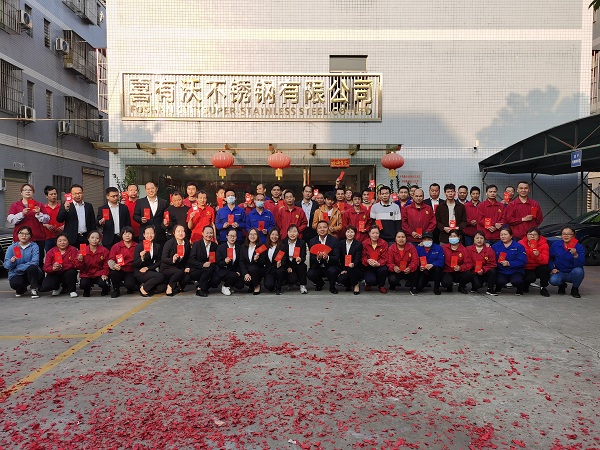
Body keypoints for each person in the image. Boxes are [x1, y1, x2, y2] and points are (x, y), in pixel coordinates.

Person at [7, 183, 50, 261]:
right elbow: (10, 220)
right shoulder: (15, 205)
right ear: (21, 192)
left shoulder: (39, 204)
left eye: (30, 190)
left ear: (33, 192)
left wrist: (38, 213)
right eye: (25, 190)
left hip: (37, 238)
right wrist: (22, 214)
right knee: (18, 260)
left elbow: (47, 219)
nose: (27, 191)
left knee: (38, 261)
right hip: (19, 239)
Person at [3, 225, 43, 299]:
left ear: (30, 236)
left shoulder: (34, 246)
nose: (24, 236)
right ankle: (21, 288)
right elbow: (6, 265)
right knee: (15, 284)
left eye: (27, 234)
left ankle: (33, 288)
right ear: (18, 235)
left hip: (30, 272)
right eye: (21, 233)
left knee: (32, 267)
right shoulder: (12, 247)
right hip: (16, 273)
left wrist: (18, 267)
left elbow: (35, 262)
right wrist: (11, 262)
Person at [548, 226, 585, 298]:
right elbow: (550, 259)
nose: (566, 236)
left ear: (573, 236)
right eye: (564, 234)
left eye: (569, 234)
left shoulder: (579, 247)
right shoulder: (556, 245)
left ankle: (575, 289)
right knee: (553, 280)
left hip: (572, 272)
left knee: (579, 271)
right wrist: (552, 268)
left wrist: (575, 255)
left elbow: (580, 264)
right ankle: (562, 285)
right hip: (560, 271)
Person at [41, 232, 82, 297]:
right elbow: (46, 267)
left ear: (68, 241)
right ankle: (57, 287)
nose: (62, 243)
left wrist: (62, 266)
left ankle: (72, 290)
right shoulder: (51, 251)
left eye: (64, 240)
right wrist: (53, 268)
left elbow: (75, 265)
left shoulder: (73, 250)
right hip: (55, 273)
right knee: (46, 286)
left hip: (67, 272)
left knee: (72, 272)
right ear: (56, 242)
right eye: (59, 241)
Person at [491, 227, 527, 295]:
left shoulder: (518, 246)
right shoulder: (495, 246)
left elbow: (522, 261)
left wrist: (509, 263)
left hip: (515, 270)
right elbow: (492, 260)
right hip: (501, 270)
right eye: (501, 235)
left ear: (511, 236)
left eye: (505, 234)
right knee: (500, 280)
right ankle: (498, 287)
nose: (503, 236)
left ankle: (519, 288)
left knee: (517, 281)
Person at [133, 181, 169, 249]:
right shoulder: (140, 202)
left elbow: (166, 216)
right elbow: (135, 216)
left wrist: (165, 224)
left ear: (156, 189)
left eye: (152, 188)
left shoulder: (164, 202)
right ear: (145, 190)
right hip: (145, 234)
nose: (150, 191)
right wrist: (141, 219)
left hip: (160, 234)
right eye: (148, 189)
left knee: (159, 253)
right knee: (145, 254)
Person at [307, 221, 340, 293]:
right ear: (317, 230)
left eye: (324, 227)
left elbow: (336, 257)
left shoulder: (334, 240)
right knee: (310, 274)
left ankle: (332, 287)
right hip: (318, 266)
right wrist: (318, 258)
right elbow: (312, 258)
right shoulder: (312, 241)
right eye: (320, 228)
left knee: (333, 271)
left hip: (330, 265)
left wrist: (327, 258)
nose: (322, 229)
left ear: (328, 229)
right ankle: (320, 283)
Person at [188, 225, 220, 297]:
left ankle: (202, 287)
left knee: (216, 279)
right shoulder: (196, 245)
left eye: (211, 233)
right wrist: (202, 264)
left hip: (210, 269)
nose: (209, 235)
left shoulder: (214, 246)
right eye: (207, 233)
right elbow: (191, 260)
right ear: (202, 233)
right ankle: (201, 289)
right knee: (208, 268)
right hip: (197, 269)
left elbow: (215, 260)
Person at [133, 226, 165, 297]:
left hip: (150, 270)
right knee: (160, 277)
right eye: (147, 233)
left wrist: (148, 268)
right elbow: (135, 264)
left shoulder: (157, 246)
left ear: (154, 234)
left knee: (162, 287)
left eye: (151, 233)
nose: (149, 235)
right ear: (144, 235)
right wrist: (141, 258)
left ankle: (146, 285)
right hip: (140, 271)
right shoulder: (139, 246)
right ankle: (143, 289)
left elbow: (159, 261)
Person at [160, 224, 191, 296]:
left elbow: (188, 257)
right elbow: (163, 258)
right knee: (179, 272)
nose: (180, 233)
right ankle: (170, 287)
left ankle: (179, 287)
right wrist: (172, 259)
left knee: (189, 274)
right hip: (167, 267)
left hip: (179, 267)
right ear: (174, 233)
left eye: (182, 231)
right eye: (178, 231)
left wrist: (187, 267)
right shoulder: (169, 243)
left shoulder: (186, 243)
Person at [518, 227, 551, 297]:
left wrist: (538, 255)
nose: (532, 236)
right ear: (526, 235)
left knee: (545, 269)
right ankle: (526, 284)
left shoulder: (544, 244)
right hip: (526, 266)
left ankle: (543, 287)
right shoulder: (520, 244)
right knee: (529, 277)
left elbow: (545, 261)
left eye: (535, 234)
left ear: (539, 236)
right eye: (530, 234)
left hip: (538, 266)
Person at [78, 230, 110, 297]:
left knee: (103, 283)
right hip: (87, 274)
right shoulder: (82, 250)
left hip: (99, 273)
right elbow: (78, 267)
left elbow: (106, 264)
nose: (94, 240)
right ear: (88, 239)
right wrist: (80, 261)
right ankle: (87, 289)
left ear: (99, 240)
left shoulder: (104, 250)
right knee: (83, 284)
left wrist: (105, 274)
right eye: (92, 238)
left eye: (97, 238)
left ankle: (106, 289)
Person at [108, 226, 137, 298]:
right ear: (121, 235)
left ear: (132, 235)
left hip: (131, 270)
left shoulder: (137, 246)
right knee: (113, 273)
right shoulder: (116, 246)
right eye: (125, 234)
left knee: (130, 284)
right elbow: (110, 260)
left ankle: (130, 287)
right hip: (119, 269)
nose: (127, 235)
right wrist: (114, 265)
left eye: (129, 233)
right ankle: (116, 290)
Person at [386, 230, 419, 295]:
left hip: (408, 270)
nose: (401, 239)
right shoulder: (391, 248)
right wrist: (394, 267)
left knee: (416, 269)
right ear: (395, 239)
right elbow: (389, 262)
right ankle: (393, 285)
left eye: (403, 237)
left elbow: (415, 261)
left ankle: (413, 287)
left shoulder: (411, 247)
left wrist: (410, 268)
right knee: (392, 279)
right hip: (397, 271)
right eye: (398, 237)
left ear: (406, 238)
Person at [466, 231, 497, 295]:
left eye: (481, 238)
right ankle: (474, 286)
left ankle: (490, 288)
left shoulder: (489, 250)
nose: (479, 240)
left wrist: (483, 269)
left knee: (493, 271)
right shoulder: (468, 249)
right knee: (477, 285)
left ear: (484, 239)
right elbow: (467, 262)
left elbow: (492, 264)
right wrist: (475, 269)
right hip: (474, 272)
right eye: (477, 238)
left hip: (485, 272)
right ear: (473, 239)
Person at [281, 224, 308, 294]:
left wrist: (300, 259)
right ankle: (289, 283)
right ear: (287, 233)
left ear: (298, 233)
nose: (292, 234)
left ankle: (302, 285)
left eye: (294, 232)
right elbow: (282, 257)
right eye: (290, 232)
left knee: (303, 266)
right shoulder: (283, 242)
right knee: (292, 278)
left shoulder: (301, 243)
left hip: (297, 264)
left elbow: (303, 257)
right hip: (287, 264)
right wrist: (287, 267)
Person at [216, 228, 244, 296]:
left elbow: (240, 261)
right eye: (230, 235)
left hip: (234, 271)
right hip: (224, 271)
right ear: (226, 236)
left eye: (234, 236)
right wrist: (224, 262)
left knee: (240, 285)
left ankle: (230, 285)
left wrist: (238, 271)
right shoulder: (220, 248)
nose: (232, 238)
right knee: (233, 275)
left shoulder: (239, 247)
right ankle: (225, 286)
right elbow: (218, 263)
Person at [336, 225, 363, 295]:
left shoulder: (358, 244)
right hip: (344, 268)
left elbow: (358, 258)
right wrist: (342, 269)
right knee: (341, 279)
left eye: (352, 232)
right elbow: (338, 257)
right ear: (345, 233)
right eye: (348, 232)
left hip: (355, 267)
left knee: (352, 269)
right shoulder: (340, 243)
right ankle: (349, 285)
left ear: (355, 234)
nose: (350, 234)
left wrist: (353, 264)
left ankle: (356, 284)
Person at [361, 225, 389, 293]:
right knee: (370, 280)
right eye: (373, 233)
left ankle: (381, 286)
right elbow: (362, 257)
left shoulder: (384, 243)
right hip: (368, 266)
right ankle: (368, 283)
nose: (375, 235)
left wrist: (379, 263)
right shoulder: (364, 243)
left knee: (384, 269)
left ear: (379, 234)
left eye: (377, 233)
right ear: (369, 233)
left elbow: (385, 257)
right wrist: (367, 261)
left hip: (379, 265)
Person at [239, 228, 266, 295]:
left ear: (258, 236)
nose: (252, 236)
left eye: (255, 234)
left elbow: (263, 262)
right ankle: (251, 286)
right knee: (247, 281)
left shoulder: (261, 247)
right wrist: (245, 273)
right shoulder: (243, 247)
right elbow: (241, 262)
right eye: (251, 234)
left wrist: (256, 260)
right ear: (248, 236)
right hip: (248, 271)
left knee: (253, 268)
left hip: (258, 270)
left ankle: (257, 285)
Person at [263, 228, 286, 294]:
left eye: (276, 235)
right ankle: (273, 284)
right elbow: (262, 258)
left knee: (280, 271)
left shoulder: (282, 247)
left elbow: (284, 259)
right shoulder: (265, 246)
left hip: (278, 268)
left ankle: (278, 287)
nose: (274, 237)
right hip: (269, 269)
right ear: (269, 235)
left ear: (279, 236)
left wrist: (280, 263)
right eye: (272, 234)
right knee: (269, 286)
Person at [43, 185, 63, 254]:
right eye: (51, 194)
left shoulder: (62, 207)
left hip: (62, 237)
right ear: (46, 196)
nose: (54, 196)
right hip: (48, 237)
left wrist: (64, 226)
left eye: (55, 194)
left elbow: (70, 219)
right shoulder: (43, 208)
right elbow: (38, 222)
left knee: (61, 256)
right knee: (50, 256)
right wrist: (46, 225)